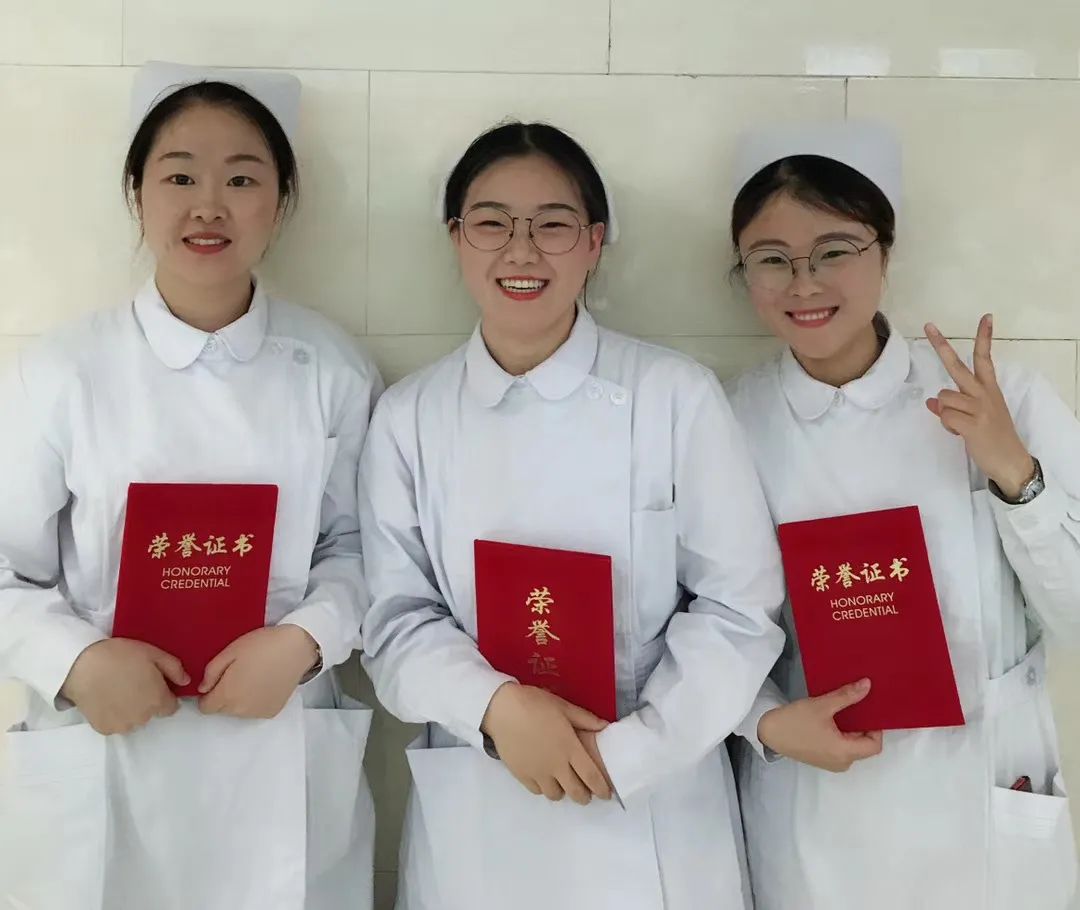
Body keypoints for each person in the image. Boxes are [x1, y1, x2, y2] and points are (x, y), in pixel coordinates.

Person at [358, 120, 785, 910]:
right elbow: (394, 621)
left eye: (552, 225)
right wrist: (495, 708)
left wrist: (636, 751)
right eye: (492, 223)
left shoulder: (674, 395)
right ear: (456, 239)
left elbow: (739, 608)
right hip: (483, 790)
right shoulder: (409, 417)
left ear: (593, 243)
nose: (521, 252)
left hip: (652, 802)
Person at [0, 61, 381, 910]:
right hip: (107, 748)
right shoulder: (62, 371)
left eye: (242, 179)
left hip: (277, 748)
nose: (209, 206)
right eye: (179, 177)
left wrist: (306, 639)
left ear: (281, 202)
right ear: (136, 193)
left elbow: (364, 549)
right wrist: (76, 660)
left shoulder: (332, 369)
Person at [726, 120, 1080, 910]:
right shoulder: (729, 421)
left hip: (982, 806)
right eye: (772, 259)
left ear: (885, 251)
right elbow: (696, 622)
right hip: (821, 817)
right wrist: (765, 723)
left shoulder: (1002, 399)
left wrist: (1014, 474)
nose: (804, 283)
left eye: (834, 251)